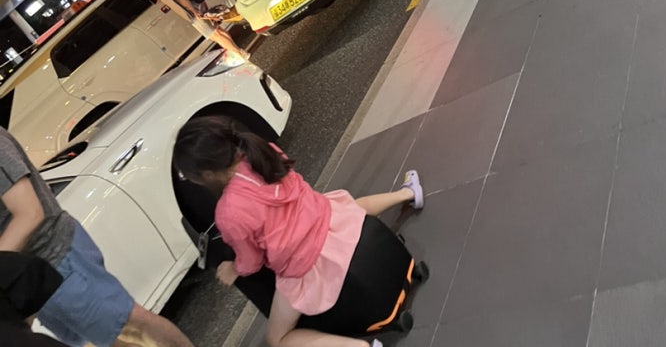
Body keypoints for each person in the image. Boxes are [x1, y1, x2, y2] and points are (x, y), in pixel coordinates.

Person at [173, 116, 424, 347]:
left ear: (207, 174)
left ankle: (360, 346)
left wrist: (233, 268)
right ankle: (408, 193)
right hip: (330, 218)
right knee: (352, 205)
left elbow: (251, 262)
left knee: (278, 339)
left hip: (307, 266)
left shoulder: (228, 213)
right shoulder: (262, 150)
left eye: (187, 176)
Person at [0, 127, 194, 347]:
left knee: (131, 326)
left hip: (56, 258)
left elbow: (30, 213)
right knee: (108, 339)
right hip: (34, 276)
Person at [129, 0, 246, 62]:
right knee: (217, 31)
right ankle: (239, 51)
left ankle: (239, 54)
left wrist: (193, 11)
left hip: (192, 11)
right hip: (196, 6)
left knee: (215, 35)